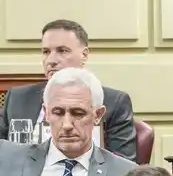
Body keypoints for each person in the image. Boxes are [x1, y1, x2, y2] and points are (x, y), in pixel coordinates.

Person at [0, 68, 137, 176]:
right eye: (58, 113)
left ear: (98, 115)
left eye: (78, 113)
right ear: (46, 113)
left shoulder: (125, 174)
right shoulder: (6, 158)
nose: (67, 125)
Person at [0, 19, 136, 161]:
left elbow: (124, 164)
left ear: (84, 55)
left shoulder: (114, 102)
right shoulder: (18, 98)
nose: (51, 60)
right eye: (46, 52)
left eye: (62, 51)